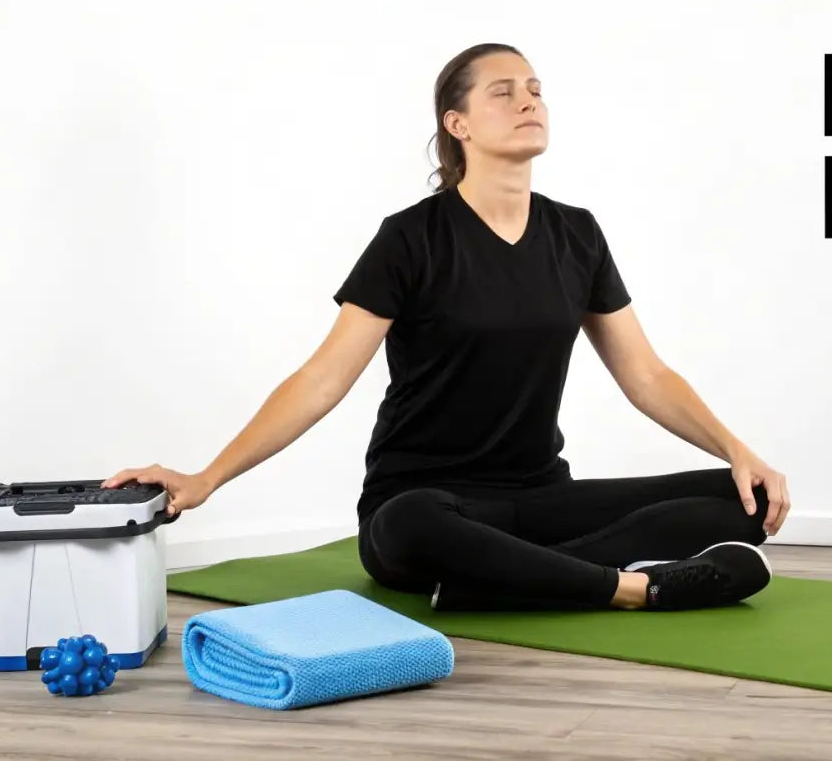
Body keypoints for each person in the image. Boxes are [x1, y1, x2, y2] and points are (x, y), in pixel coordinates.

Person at [103, 43, 791, 612]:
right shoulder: (410, 239)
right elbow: (321, 380)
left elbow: (646, 375)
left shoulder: (577, 234)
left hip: (540, 499)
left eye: (535, 90)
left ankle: (500, 579)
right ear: (456, 123)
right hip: (426, 503)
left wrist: (737, 450)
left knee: (742, 501)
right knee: (409, 526)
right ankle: (629, 588)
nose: (528, 102)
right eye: (503, 92)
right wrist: (207, 478)